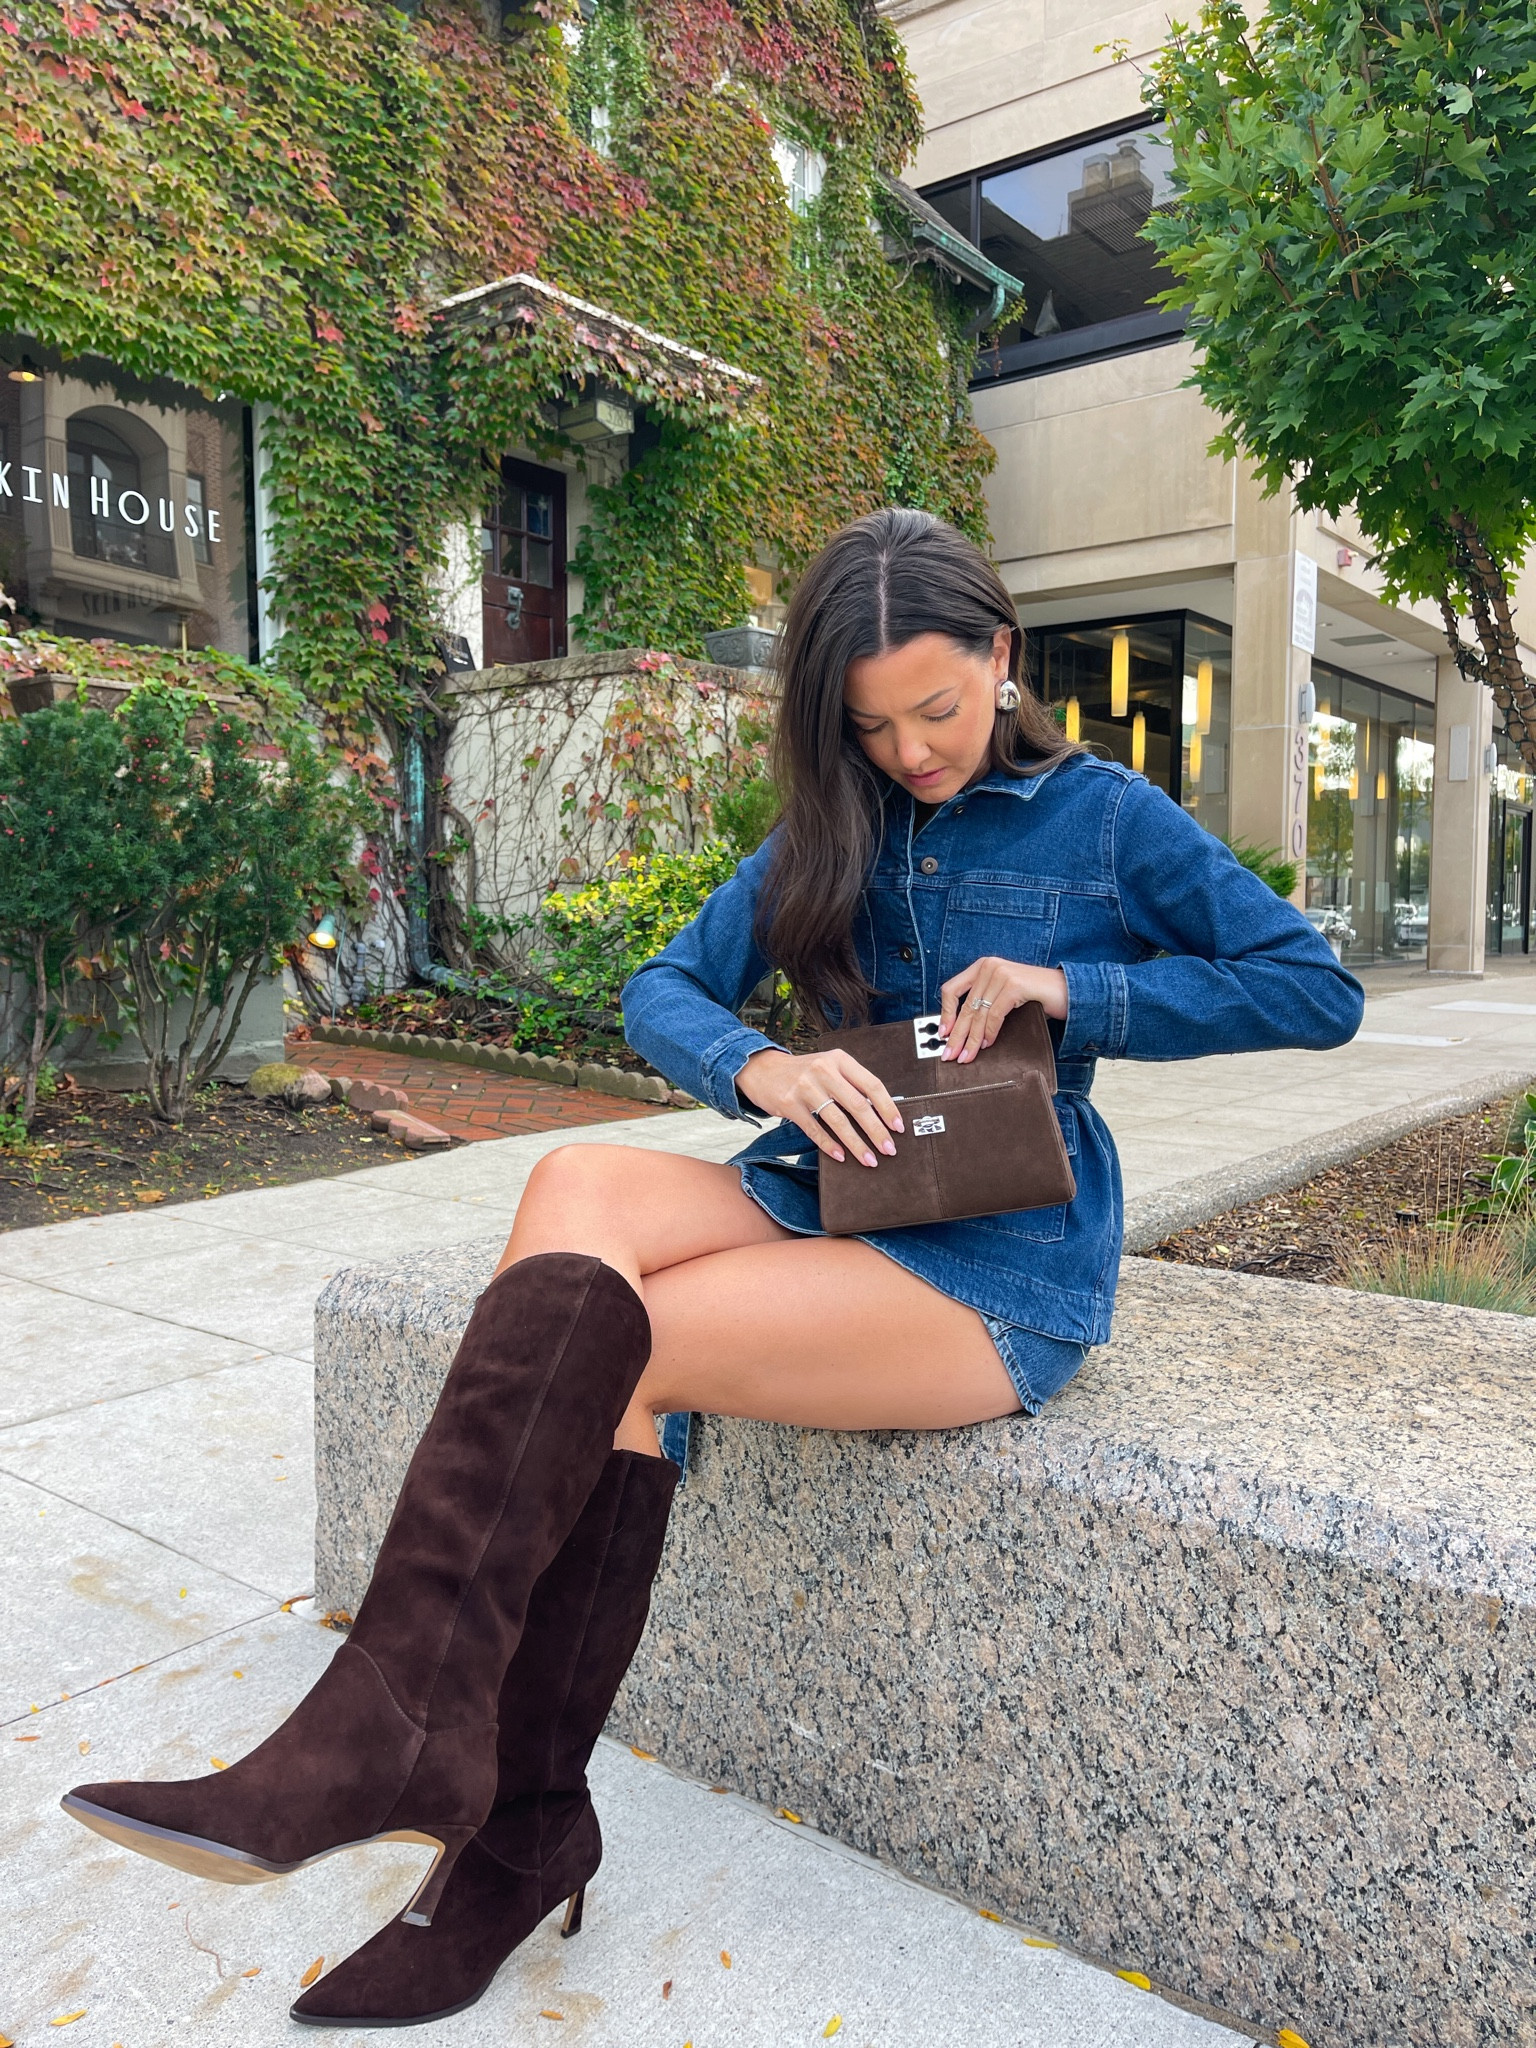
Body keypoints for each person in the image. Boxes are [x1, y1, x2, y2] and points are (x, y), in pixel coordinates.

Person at [62, 509, 1364, 2026]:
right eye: (870, 727)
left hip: (997, 1264)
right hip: (828, 1190)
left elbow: (1312, 988)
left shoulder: (1108, 819)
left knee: (628, 1340)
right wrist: (760, 1071)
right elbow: (659, 985)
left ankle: (459, 1776)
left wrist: (1082, 987)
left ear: (1003, 659)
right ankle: (471, 1776)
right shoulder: (840, 823)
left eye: (938, 709)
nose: (912, 751)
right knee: (572, 1185)